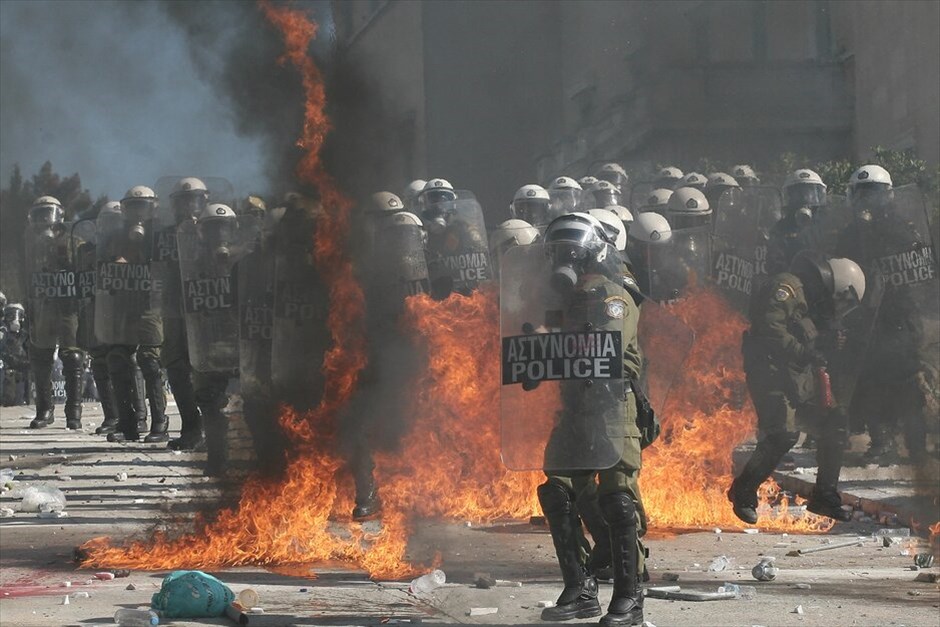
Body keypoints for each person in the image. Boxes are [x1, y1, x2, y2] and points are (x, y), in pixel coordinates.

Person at [533, 213, 647, 626]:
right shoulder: (568, 299)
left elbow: (612, 349)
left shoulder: (611, 295)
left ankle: (629, 598)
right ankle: (580, 588)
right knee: (557, 492)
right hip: (574, 406)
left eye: (572, 249)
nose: (565, 257)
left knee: (617, 498)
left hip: (611, 405)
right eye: (558, 250)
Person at [728, 251, 868, 523]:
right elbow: (770, 328)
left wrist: (828, 340)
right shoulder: (788, 286)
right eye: (843, 300)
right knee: (783, 434)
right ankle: (743, 490)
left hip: (796, 377)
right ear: (836, 285)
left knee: (835, 423)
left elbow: (808, 337)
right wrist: (807, 351)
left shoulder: (815, 302)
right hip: (768, 372)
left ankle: (824, 496)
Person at [837, 165, 936, 463]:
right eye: (865, 194)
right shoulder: (851, 234)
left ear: (889, 195)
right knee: (870, 380)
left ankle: (915, 447)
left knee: (907, 381)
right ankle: (882, 442)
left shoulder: (904, 228)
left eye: (875, 194)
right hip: (868, 316)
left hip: (901, 316)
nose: (869, 201)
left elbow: (922, 270)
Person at [97, 185, 168, 443]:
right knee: (117, 360)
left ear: (154, 207)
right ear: (126, 209)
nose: (139, 212)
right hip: (124, 306)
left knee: (149, 360)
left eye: (143, 206)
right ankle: (129, 423)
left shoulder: (162, 235)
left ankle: (160, 421)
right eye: (134, 207)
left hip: (152, 305)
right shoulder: (117, 235)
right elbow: (109, 264)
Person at [24, 196, 85, 429]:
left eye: (46, 214)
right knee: (40, 356)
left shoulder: (73, 241)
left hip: (68, 306)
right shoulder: (29, 245)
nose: (43, 220)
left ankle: (74, 412)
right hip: (42, 304)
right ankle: (45, 409)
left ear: (59, 216)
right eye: (38, 215)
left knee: (72, 355)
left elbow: (82, 268)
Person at [161, 177, 212, 449]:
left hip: (205, 308)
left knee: (208, 370)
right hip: (173, 309)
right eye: (182, 200)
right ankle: (192, 428)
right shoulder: (164, 235)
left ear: (205, 200)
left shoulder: (215, 228)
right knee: (177, 368)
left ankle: (215, 430)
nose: (188, 205)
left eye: (194, 199)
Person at [766, 168, 828, 275]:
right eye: (798, 194)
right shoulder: (780, 228)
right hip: (791, 283)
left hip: (824, 279)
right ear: (789, 197)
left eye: (810, 193)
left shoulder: (825, 226)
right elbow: (774, 261)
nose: (804, 198)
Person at [1, 303, 30, 406]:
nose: (15, 319)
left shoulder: (25, 336)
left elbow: (30, 357)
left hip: (22, 377)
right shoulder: (3, 335)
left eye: (18, 315)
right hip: (6, 377)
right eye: (11, 315)